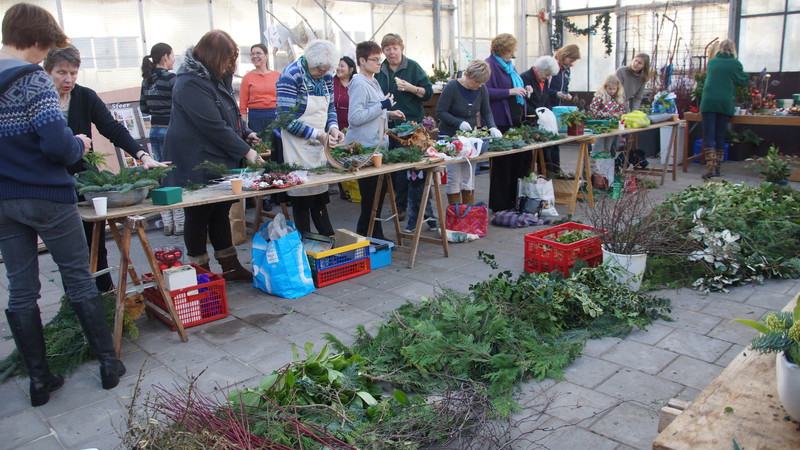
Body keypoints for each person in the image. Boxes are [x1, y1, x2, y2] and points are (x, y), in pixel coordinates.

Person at [0, 3, 125, 407]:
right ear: (35, 41)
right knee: (77, 277)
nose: (45, 56)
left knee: (21, 290)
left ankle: (40, 381)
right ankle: (108, 364)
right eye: (46, 48)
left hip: (3, 199)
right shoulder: (33, 79)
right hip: (47, 196)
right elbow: (58, 146)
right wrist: (79, 144)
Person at [44, 45, 167, 294]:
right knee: (67, 250)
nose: (68, 79)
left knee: (95, 243)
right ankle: (76, 301)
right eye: (61, 73)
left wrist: (142, 155)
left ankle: (105, 294)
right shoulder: (40, 100)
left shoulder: (84, 96)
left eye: (73, 73)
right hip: (49, 184)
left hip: (84, 180)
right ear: (47, 71)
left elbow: (112, 128)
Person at [163, 30, 262, 281]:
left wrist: (246, 132)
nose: (231, 64)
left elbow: (230, 114)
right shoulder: (190, 82)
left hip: (216, 157)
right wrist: (246, 151)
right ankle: (199, 272)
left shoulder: (216, 77)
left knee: (220, 209)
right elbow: (212, 125)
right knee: (197, 213)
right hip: (194, 159)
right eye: (228, 58)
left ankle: (229, 265)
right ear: (213, 56)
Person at [276, 39, 344, 236]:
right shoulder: (291, 76)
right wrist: (318, 135)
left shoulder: (327, 76)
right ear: (310, 62)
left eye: (327, 70)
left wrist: (333, 127)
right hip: (295, 146)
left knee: (320, 195)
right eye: (320, 70)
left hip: (318, 144)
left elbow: (329, 107)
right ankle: (305, 242)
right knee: (302, 198)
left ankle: (326, 241)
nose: (324, 74)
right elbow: (285, 119)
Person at [346, 41, 405, 240]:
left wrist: (389, 113)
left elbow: (375, 111)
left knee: (379, 194)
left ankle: (366, 232)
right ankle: (372, 234)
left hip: (378, 144)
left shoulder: (373, 81)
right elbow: (355, 118)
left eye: (379, 59)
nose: (379, 63)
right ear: (362, 61)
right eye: (374, 59)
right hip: (365, 147)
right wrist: (382, 106)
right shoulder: (359, 83)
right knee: (372, 195)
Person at [375, 33, 433, 227]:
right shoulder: (380, 70)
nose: (391, 52)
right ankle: (399, 207)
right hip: (389, 126)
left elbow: (428, 93)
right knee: (395, 170)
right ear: (383, 51)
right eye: (387, 48)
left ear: (402, 48)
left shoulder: (412, 67)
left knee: (412, 170)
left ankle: (420, 209)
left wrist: (411, 88)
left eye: (395, 48)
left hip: (411, 127)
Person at [437, 59, 502, 206]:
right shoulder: (452, 87)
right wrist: (458, 122)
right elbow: (440, 112)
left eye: (481, 83)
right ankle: (455, 213)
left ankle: (468, 212)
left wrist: (492, 127)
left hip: (470, 138)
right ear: (467, 75)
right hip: (450, 137)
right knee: (454, 177)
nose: (478, 86)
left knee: (469, 175)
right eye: (476, 83)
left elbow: (486, 111)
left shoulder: (482, 89)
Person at [485, 33, 532, 212]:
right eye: (509, 51)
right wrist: (510, 91)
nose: (512, 54)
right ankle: (499, 204)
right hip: (500, 121)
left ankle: (514, 201)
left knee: (518, 162)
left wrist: (524, 89)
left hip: (515, 119)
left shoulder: (509, 66)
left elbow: (514, 86)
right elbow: (486, 91)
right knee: (502, 165)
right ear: (501, 50)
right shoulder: (490, 65)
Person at [140, 42, 183, 236]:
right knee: (176, 173)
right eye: (173, 55)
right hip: (171, 130)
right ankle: (180, 223)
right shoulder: (171, 78)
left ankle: (167, 223)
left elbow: (144, 108)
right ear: (165, 57)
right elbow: (181, 103)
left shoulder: (146, 80)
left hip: (155, 130)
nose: (174, 59)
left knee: (161, 175)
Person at [699, 39, 748, 180]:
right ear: (733, 49)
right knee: (720, 135)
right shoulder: (735, 64)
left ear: (719, 48)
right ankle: (717, 168)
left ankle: (709, 168)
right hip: (724, 102)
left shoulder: (712, 62)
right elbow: (742, 80)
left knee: (709, 135)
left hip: (708, 102)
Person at [239, 43, 279, 134]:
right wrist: (245, 130)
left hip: (275, 116)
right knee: (259, 146)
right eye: (252, 54)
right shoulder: (247, 78)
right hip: (256, 118)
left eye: (258, 53)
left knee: (277, 146)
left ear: (266, 56)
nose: (255, 56)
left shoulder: (277, 76)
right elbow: (243, 106)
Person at [588, 74, 627, 155]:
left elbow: (622, 111)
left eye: (614, 89)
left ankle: (605, 166)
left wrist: (617, 114)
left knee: (607, 148)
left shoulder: (618, 98)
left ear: (618, 88)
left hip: (612, 126)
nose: (612, 91)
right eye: (610, 89)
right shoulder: (599, 97)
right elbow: (592, 110)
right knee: (598, 147)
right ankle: (593, 165)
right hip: (600, 127)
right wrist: (602, 114)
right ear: (605, 87)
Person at [333, 56, 356, 130]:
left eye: (342, 66)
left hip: (353, 128)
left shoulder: (356, 84)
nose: (339, 68)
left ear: (351, 69)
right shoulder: (331, 83)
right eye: (338, 65)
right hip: (334, 128)